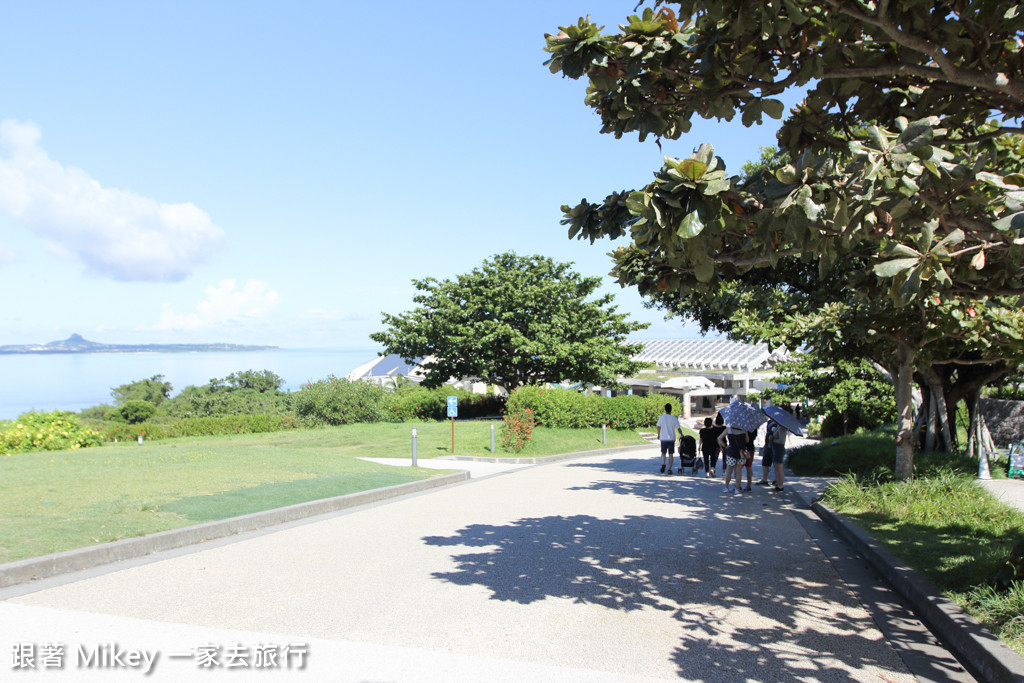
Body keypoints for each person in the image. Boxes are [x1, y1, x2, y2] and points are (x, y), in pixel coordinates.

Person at [718, 421, 748, 493]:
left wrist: (725, 446)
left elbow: (719, 438)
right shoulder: (744, 428)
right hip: (741, 451)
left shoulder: (729, 428)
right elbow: (747, 440)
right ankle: (737, 488)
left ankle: (726, 487)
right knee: (739, 472)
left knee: (729, 471)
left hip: (731, 451)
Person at [656, 403, 683, 474]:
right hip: (671, 439)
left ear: (665, 409)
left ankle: (663, 463)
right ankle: (669, 469)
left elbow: (658, 426)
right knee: (671, 454)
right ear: (671, 409)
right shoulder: (674, 418)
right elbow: (678, 428)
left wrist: (658, 435)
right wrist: (681, 434)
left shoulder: (661, 417)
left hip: (663, 438)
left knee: (663, 452)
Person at [756, 420, 777, 486]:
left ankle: (776, 480)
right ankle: (764, 479)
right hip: (767, 445)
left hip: (775, 445)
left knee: (776, 463)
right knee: (765, 463)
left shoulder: (779, 424)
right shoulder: (770, 422)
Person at [772, 420, 790, 492]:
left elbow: (781, 441)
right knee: (776, 466)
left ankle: (781, 485)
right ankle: (778, 483)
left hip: (779, 448)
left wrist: (773, 439)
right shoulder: (778, 426)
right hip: (776, 448)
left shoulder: (782, 427)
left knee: (779, 467)